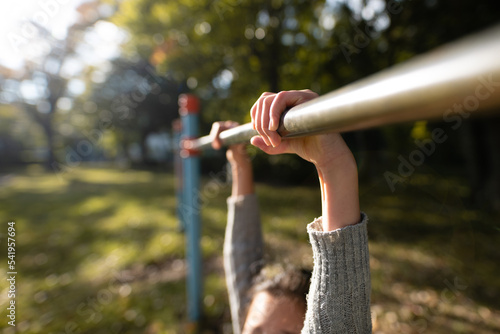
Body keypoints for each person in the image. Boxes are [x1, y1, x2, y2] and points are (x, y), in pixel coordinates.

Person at [210, 89, 372, 334]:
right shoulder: (246, 317)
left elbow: (338, 322)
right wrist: (239, 161)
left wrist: (333, 163)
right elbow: (241, 258)